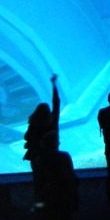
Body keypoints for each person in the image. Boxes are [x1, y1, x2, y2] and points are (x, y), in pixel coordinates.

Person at [24, 74, 60, 207]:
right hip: (52, 156)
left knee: (38, 179)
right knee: (52, 178)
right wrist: (54, 85)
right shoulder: (52, 122)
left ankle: (39, 203)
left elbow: (26, 137)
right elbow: (56, 103)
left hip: (36, 156)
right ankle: (53, 202)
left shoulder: (34, 124)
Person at [33, 130, 78, 220]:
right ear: (56, 143)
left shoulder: (39, 159)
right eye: (57, 141)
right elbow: (71, 175)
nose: (59, 142)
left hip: (48, 193)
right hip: (64, 192)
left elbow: (38, 181)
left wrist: (39, 200)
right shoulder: (64, 156)